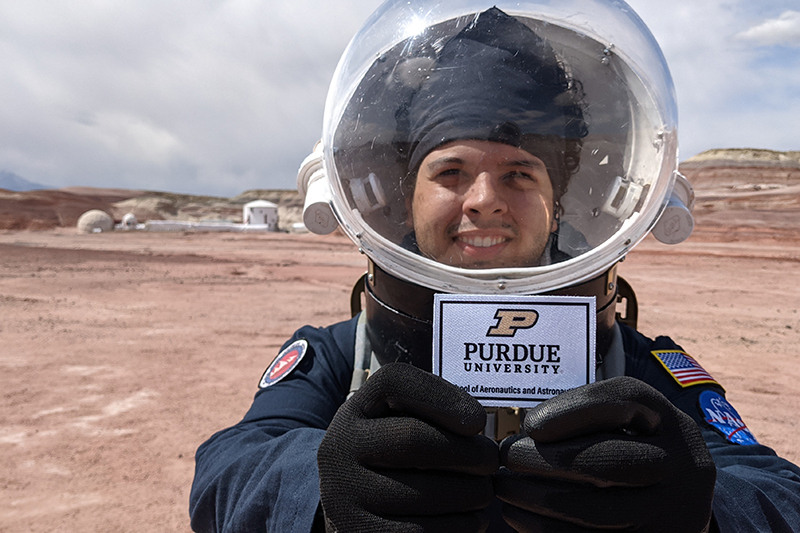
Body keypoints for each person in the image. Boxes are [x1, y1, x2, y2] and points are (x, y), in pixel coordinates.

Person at [190, 2, 800, 532]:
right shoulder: (336, 358)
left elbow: (780, 492)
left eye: (519, 174)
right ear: (408, 197)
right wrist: (321, 494)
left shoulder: (637, 368)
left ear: (555, 202)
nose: (484, 199)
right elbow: (229, 469)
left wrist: (706, 510)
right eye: (451, 172)